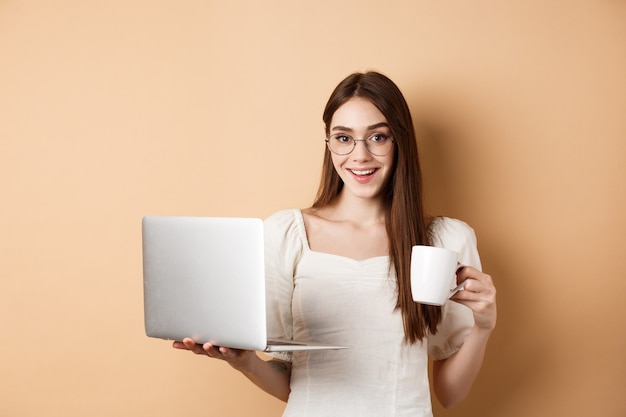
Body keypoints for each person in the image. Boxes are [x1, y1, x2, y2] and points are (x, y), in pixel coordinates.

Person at [173, 71, 497, 416]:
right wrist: (246, 362)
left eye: (378, 136)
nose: (359, 156)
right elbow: (290, 383)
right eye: (344, 138)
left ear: (399, 141)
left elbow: (449, 394)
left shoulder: (445, 240)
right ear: (328, 143)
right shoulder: (286, 234)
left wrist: (484, 326)